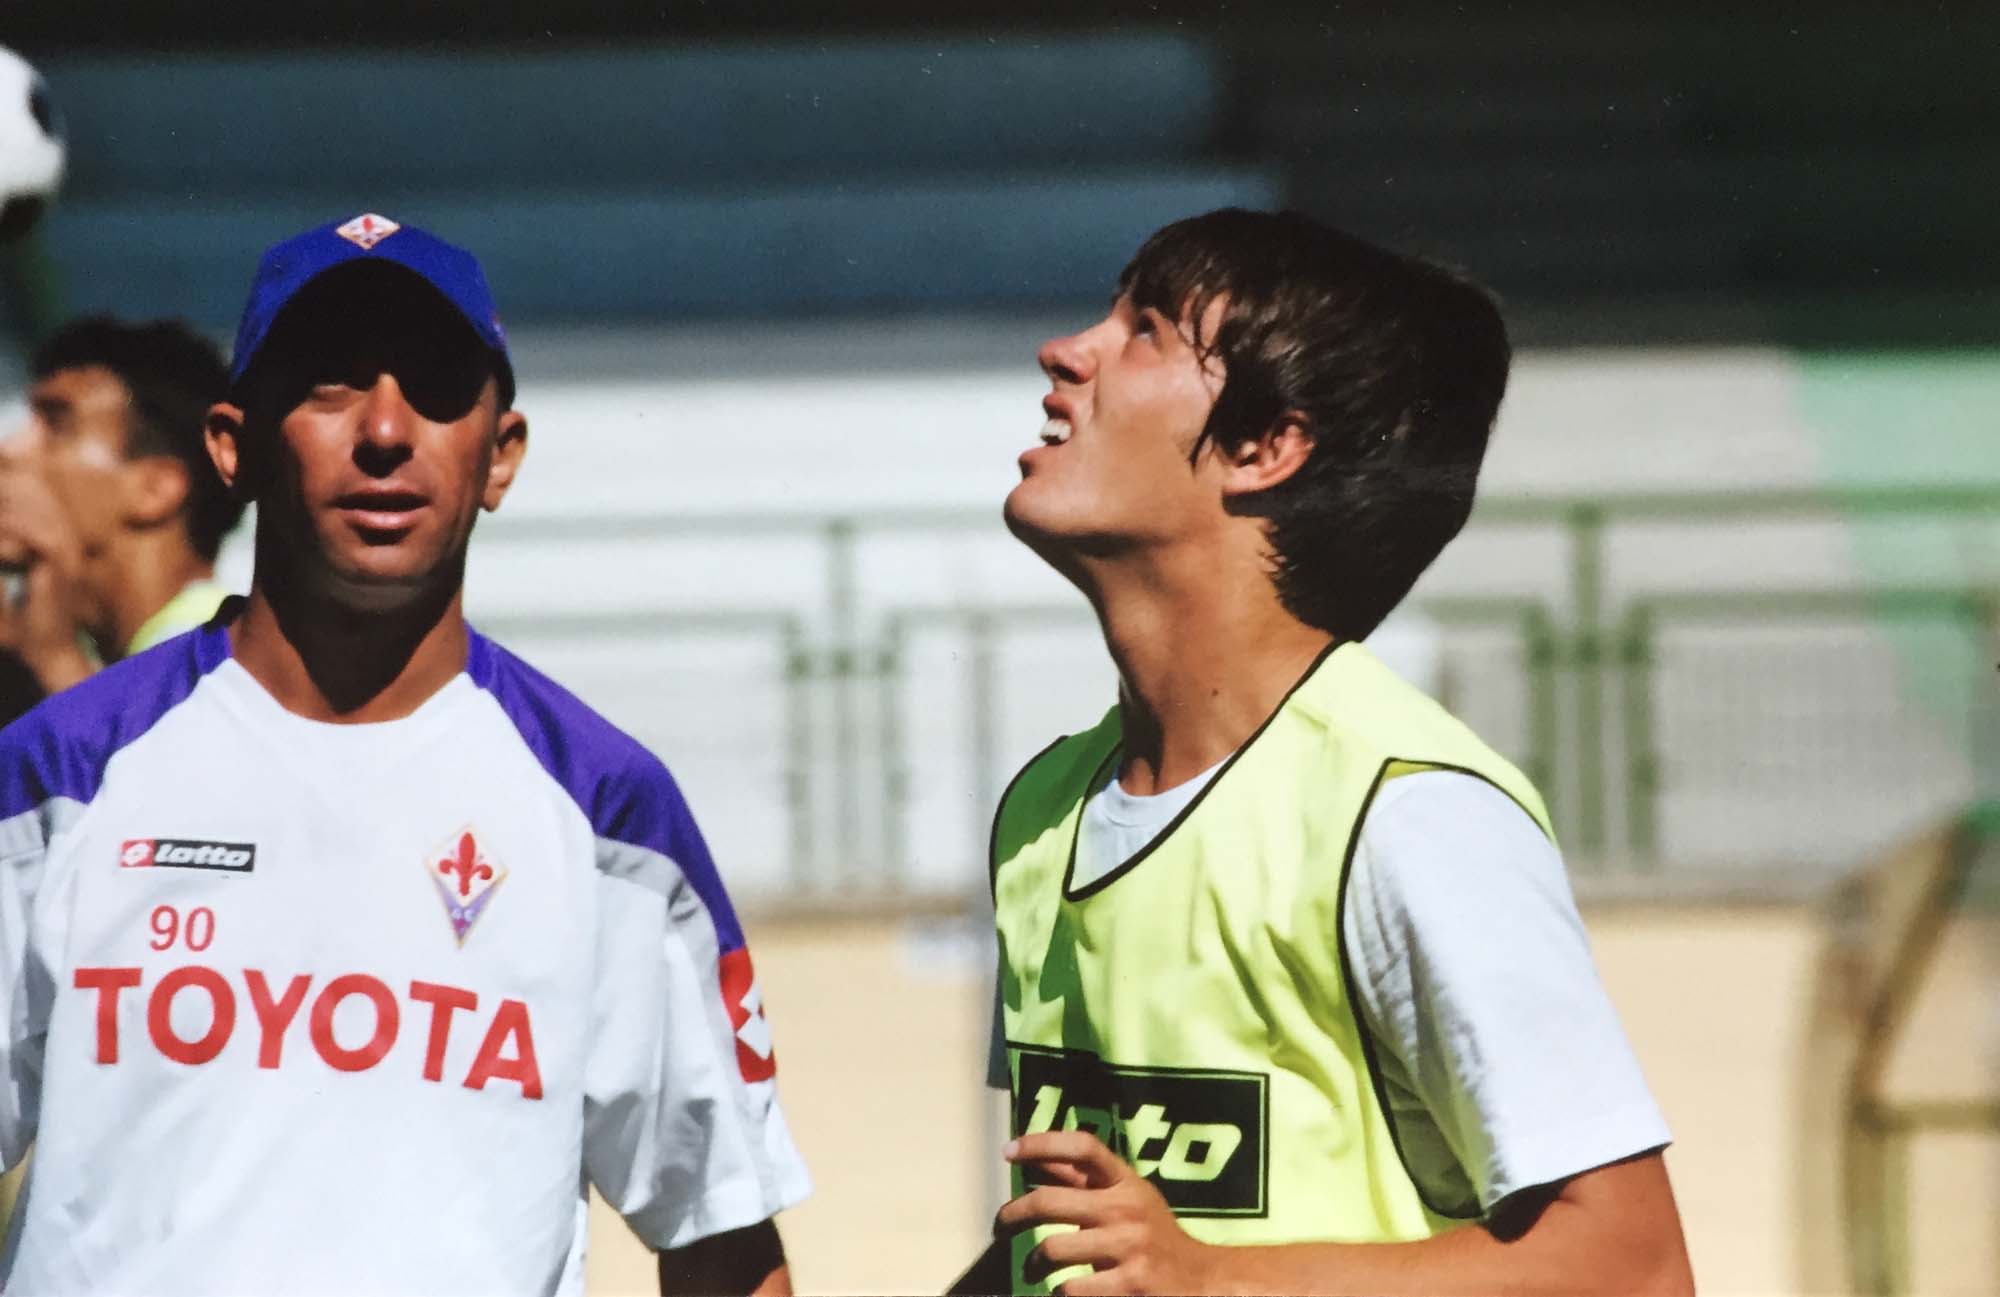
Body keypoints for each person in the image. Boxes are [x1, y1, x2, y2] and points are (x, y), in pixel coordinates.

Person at [0, 213, 809, 1295]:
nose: (385, 430)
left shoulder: (609, 810)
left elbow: (721, 1234)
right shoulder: (52, 775)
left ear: (501, 456)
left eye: (434, 386)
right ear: (233, 447)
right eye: (328, 385)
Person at [961, 209, 1693, 1295]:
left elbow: (1632, 1265)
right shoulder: (1044, 808)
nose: (1066, 352)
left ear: (1265, 447)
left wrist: (1215, 1280)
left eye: (1146, 329)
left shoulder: (1407, 813)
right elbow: (1087, 1247)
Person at [0, 317, 244, 717]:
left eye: (57, 423)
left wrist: (55, 661)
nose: (9, 449)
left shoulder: (220, 659)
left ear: (155, 489)